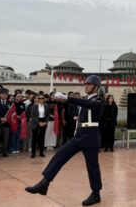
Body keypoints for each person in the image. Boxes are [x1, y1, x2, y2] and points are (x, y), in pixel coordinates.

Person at [25, 75, 104, 206]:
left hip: (90, 137)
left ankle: (96, 194)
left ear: (96, 87)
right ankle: (44, 183)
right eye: (86, 84)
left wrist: (67, 98)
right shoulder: (86, 99)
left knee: (92, 167)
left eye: (89, 84)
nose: (86, 86)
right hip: (79, 136)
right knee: (59, 155)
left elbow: (87, 104)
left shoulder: (99, 101)